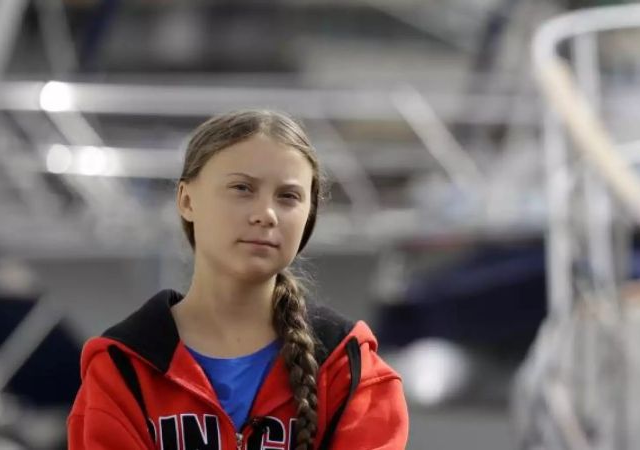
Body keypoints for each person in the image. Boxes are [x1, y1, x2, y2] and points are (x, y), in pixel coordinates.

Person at [67, 110, 409, 450]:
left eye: (288, 196)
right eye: (242, 188)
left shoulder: (351, 371)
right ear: (186, 200)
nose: (266, 214)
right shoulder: (123, 369)